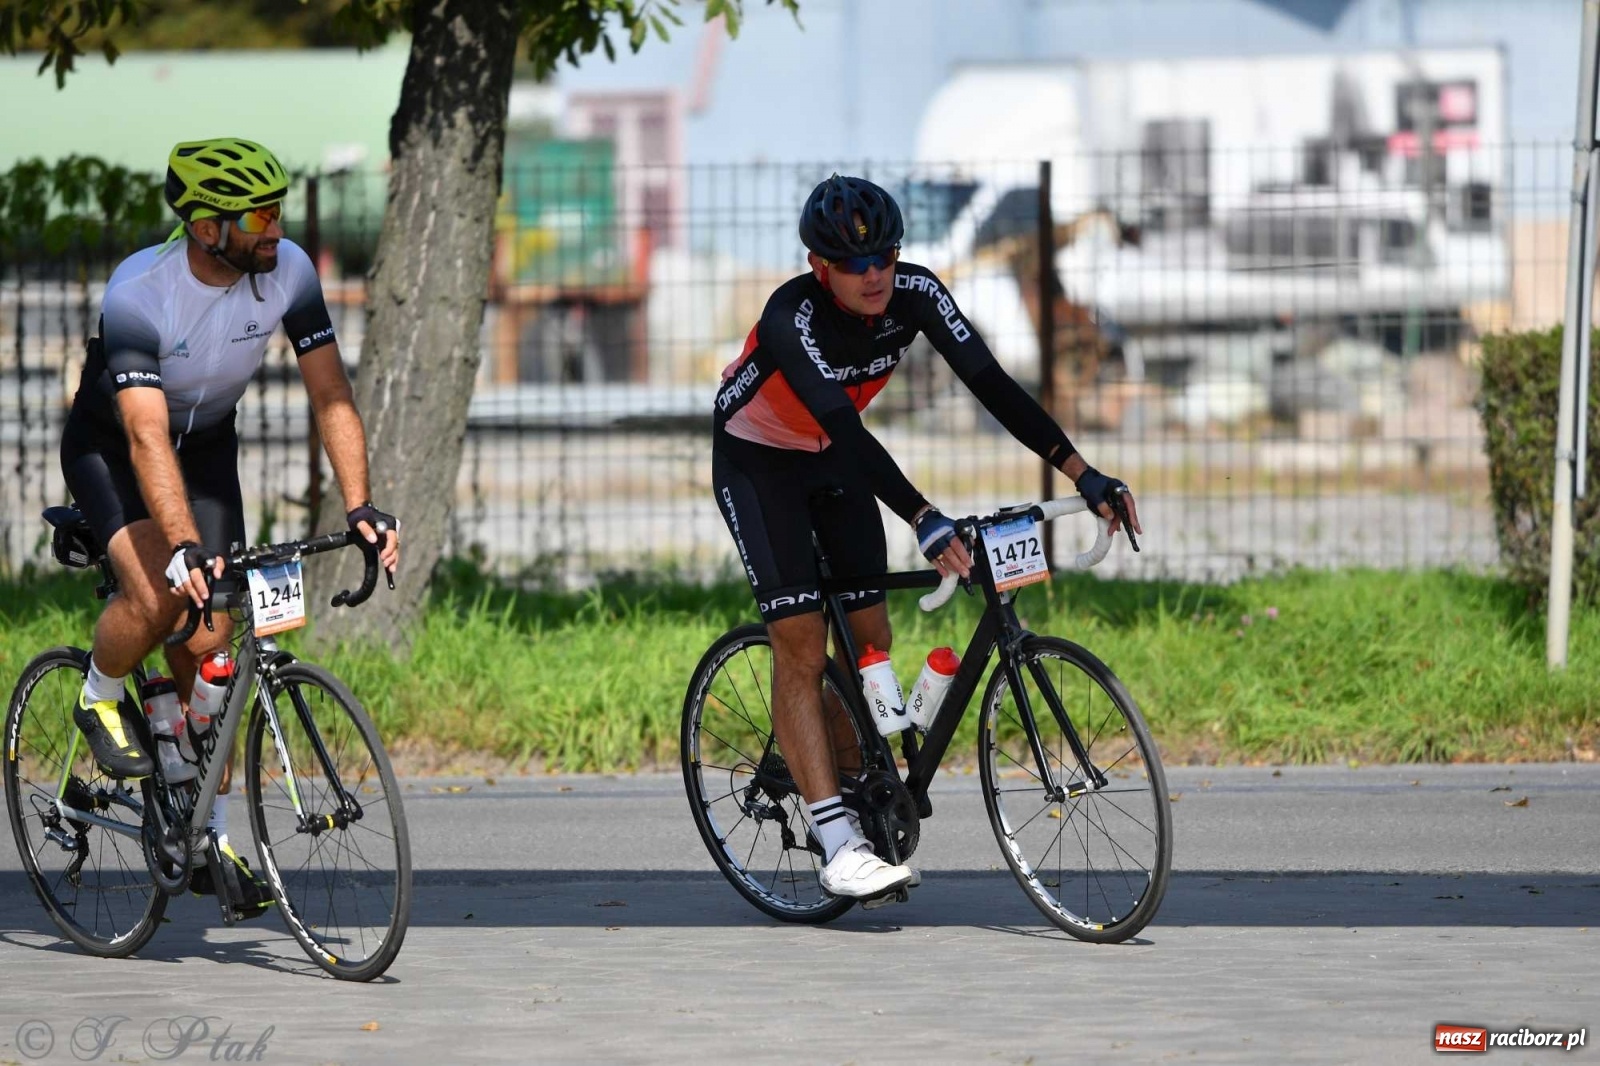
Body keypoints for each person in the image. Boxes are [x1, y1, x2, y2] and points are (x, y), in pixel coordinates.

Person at [711, 174, 1141, 901]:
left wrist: (1082, 471)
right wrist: (921, 515)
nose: (874, 274)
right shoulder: (792, 316)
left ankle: (861, 791)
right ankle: (836, 840)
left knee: (870, 631)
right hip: (762, 463)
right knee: (802, 645)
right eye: (853, 264)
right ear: (820, 267)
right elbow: (844, 427)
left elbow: (993, 384)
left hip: (836, 460)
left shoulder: (916, 293)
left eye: (885, 256)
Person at [61, 136, 401, 915]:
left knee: (213, 644)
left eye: (278, 209)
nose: (276, 227)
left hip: (208, 444)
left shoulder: (287, 272)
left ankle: (200, 825)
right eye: (260, 213)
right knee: (161, 594)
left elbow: (332, 395)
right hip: (116, 446)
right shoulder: (139, 292)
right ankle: (99, 692)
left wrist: (360, 506)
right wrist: (180, 547)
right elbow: (146, 436)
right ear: (208, 226)